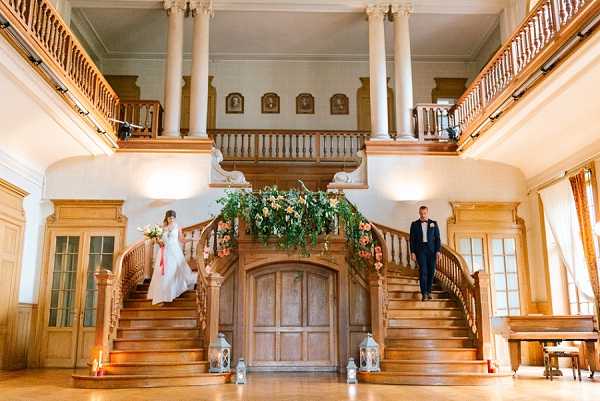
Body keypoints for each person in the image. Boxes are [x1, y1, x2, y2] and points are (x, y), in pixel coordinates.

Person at [147, 210, 197, 305]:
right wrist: (158, 242)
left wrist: (191, 239)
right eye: (170, 218)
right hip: (164, 252)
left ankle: (173, 292)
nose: (172, 219)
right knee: (164, 273)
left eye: (173, 217)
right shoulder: (162, 228)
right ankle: (162, 297)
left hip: (175, 251)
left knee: (174, 271)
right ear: (166, 218)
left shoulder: (177, 227)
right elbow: (159, 240)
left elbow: (181, 240)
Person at [409, 206, 441, 301]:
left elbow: (438, 238)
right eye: (421, 213)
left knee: (431, 271)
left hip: (432, 250)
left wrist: (438, 251)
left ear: (427, 213)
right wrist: (413, 252)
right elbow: (412, 240)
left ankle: (429, 291)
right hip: (420, 250)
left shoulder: (433, 223)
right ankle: (424, 294)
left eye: (424, 213)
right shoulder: (414, 224)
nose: (423, 215)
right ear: (419, 213)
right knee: (423, 271)